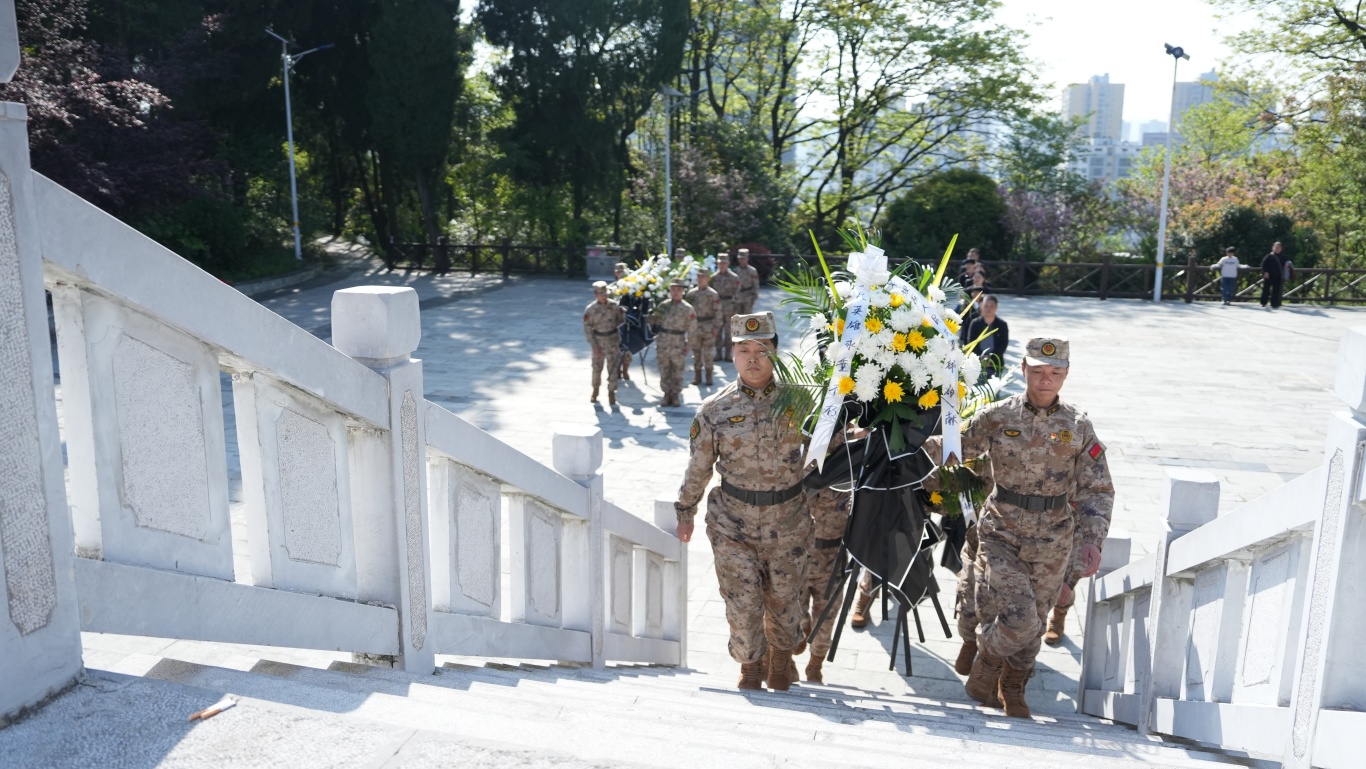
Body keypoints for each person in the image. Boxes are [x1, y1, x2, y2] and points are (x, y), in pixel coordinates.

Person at [933, 337, 1114, 718]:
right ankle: (988, 655)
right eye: (1037, 371)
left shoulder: (1078, 425)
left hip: (1053, 539)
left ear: (1065, 375)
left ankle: (1013, 686)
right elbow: (957, 445)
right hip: (1002, 530)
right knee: (1020, 616)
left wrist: (1092, 540)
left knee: (1038, 617)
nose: (1046, 380)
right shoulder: (999, 415)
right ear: (1024, 371)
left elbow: (1097, 487)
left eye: (1055, 372)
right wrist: (899, 442)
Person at [674, 312, 812, 692]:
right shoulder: (715, 410)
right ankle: (751, 667)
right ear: (732, 354)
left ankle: (780, 661)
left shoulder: (802, 403)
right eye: (743, 349)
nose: (753, 358)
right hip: (732, 523)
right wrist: (685, 510)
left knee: (786, 602)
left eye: (762, 349)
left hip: (789, 522)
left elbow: (832, 451)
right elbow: (699, 467)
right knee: (742, 603)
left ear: (776, 353)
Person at [797, 484, 851, 683]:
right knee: (791, 613)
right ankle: (800, 634)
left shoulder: (850, 473)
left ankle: (815, 665)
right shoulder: (800, 466)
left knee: (826, 617)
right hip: (798, 556)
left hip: (833, 559)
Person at [650, 280, 696, 407]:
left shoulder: (687, 308)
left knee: (677, 370)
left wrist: (688, 345)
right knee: (664, 369)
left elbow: (692, 329)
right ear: (669, 291)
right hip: (663, 342)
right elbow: (654, 321)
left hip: (678, 342)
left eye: (678, 289)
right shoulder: (663, 306)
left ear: (682, 291)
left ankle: (675, 394)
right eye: (673, 289)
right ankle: (666, 394)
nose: (675, 292)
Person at [582, 281, 625, 406]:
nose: (604, 296)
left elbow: (621, 321)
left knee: (613, 369)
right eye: (601, 294)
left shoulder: (615, 306)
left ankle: (612, 393)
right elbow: (588, 329)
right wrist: (594, 346)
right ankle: (595, 391)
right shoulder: (590, 309)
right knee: (597, 369)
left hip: (612, 341)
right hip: (598, 342)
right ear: (596, 295)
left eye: (605, 293)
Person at [686, 269, 723, 386]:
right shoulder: (691, 294)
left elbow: (718, 312)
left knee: (708, 353)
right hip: (695, 327)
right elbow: (686, 311)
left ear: (708, 278)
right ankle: (697, 376)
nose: (700, 279)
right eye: (698, 276)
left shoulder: (713, 294)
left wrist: (716, 328)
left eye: (703, 277)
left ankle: (709, 376)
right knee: (696, 353)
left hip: (708, 327)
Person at [962, 294, 1008, 375]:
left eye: (992, 306)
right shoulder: (975, 323)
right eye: (986, 306)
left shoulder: (1002, 324)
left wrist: (991, 359)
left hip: (996, 363)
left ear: (996, 307)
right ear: (981, 306)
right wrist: (982, 358)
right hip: (977, 361)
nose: (988, 308)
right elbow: (971, 342)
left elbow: (1003, 344)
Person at [711, 254, 742, 362]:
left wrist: (735, 307)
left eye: (724, 263)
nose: (722, 265)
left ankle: (728, 354)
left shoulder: (734, 277)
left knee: (729, 332)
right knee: (717, 332)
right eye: (720, 263)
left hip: (730, 306)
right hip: (717, 307)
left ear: (728, 263)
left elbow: (737, 294)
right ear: (717, 264)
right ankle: (718, 353)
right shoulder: (713, 278)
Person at [611, 262, 636, 379]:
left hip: (627, 322)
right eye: (617, 271)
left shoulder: (632, 287)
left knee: (627, 347)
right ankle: (616, 370)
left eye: (621, 271)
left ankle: (625, 370)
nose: (618, 273)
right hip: (613, 323)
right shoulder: (612, 287)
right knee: (615, 347)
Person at [1261, 242, 1286, 309]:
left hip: (1278, 276)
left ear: (1281, 248)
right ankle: (1264, 302)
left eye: (1278, 247)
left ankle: (1275, 303)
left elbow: (1285, 266)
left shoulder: (1283, 257)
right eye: (1276, 247)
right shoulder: (1269, 256)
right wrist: (1265, 272)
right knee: (1266, 289)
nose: (1277, 249)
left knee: (1276, 290)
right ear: (1273, 248)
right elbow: (1263, 264)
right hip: (1269, 275)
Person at [735, 249, 761, 315]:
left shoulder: (752, 270)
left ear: (747, 259)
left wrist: (754, 297)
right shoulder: (735, 270)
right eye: (740, 258)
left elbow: (756, 284)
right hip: (738, 296)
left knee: (747, 317)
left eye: (744, 258)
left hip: (748, 295)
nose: (742, 260)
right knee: (738, 317)